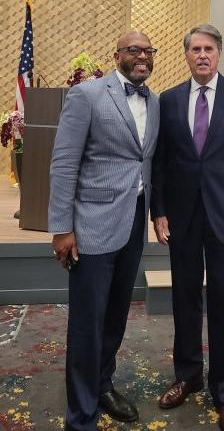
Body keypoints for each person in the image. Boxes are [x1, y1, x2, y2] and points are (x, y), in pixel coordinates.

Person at [151, 24, 224, 431]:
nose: (202, 55)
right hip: (182, 218)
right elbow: (161, 162)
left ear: (219, 54)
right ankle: (187, 376)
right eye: (195, 49)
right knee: (184, 300)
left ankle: (223, 392)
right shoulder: (167, 100)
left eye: (209, 49)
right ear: (186, 55)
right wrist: (159, 210)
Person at [49, 31, 159, 431]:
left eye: (148, 51)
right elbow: (63, 164)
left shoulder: (156, 102)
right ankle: (81, 415)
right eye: (134, 50)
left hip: (133, 223)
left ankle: (102, 384)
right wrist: (62, 228)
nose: (142, 56)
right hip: (91, 226)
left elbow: (147, 164)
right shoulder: (88, 95)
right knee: (87, 322)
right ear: (117, 55)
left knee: (115, 316)